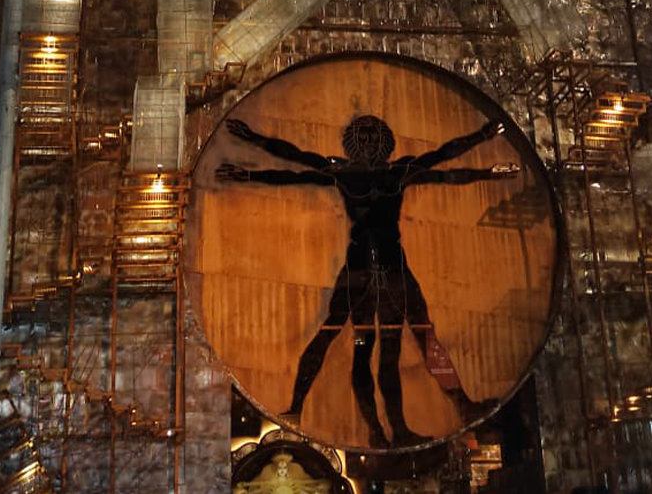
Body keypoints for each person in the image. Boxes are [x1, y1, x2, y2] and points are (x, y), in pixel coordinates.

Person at [217, 114, 518, 447]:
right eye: (364, 137)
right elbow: (293, 166)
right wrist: (251, 155)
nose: (370, 143)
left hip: (393, 268)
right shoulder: (343, 172)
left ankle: (430, 417)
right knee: (346, 340)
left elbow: (444, 166)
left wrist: (484, 152)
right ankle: (306, 410)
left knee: (408, 341)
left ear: (385, 142)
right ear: (353, 143)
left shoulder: (398, 171)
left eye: (375, 137)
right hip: (359, 270)